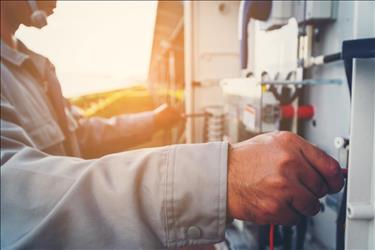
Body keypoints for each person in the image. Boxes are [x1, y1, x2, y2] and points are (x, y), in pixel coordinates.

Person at [0, 1, 344, 249]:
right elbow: (11, 192)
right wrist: (221, 178)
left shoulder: (32, 67)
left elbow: (83, 133)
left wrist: (154, 120)